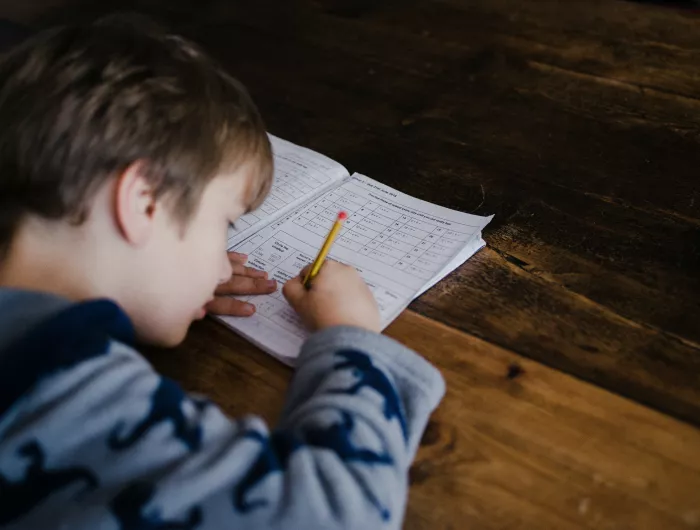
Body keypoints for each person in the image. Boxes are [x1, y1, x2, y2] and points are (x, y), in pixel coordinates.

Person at [0, 15, 445, 530]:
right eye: (225, 224)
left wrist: (148, 287)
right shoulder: (58, 388)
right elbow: (341, 516)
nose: (220, 265)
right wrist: (353, 340)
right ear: (145, 202)